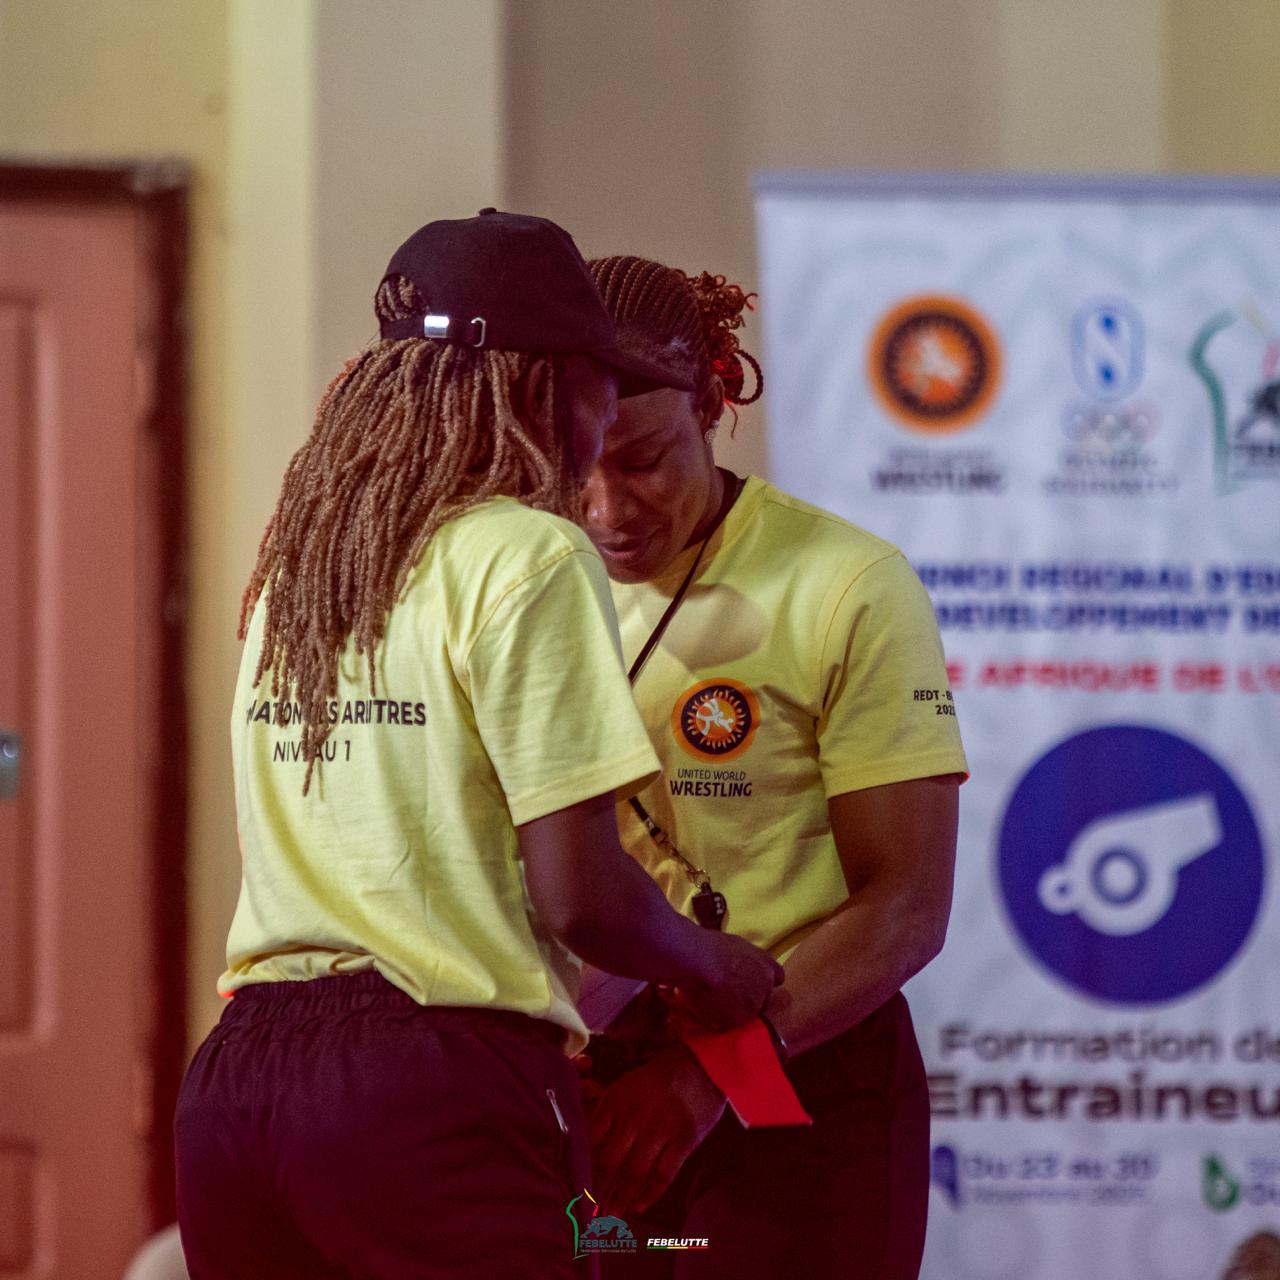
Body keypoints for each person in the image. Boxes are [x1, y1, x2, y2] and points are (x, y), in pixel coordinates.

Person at [173, 213, 781, 1280]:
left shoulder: (305, 569)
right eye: (600, 382)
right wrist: (714, 965)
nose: (606, 415)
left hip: (237, 1087)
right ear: (548, 385)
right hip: (429, 1085)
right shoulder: (528, 552)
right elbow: (580, 896)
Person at [577, 255, 969, 1279]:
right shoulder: (527, 580)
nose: (607, 507)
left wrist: (709, 1073)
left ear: (712, 405)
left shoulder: (845, 583)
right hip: (599, 1091)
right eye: (577, 463)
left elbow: (907, 905)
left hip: (799, 1081)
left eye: (644, 460)